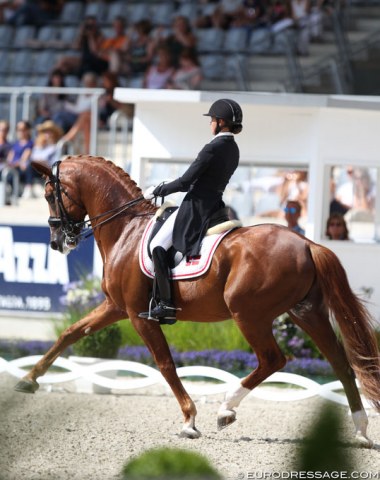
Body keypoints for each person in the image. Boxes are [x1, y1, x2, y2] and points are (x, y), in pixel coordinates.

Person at [140, 98, 243, 324]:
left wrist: (159, 190)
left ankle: (165, 303)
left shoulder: (212, 148)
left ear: (220, 122)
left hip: (195, 208)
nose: (210, 124)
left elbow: (186, 182)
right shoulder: (233, 149)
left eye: (212, 120)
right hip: (215, 206)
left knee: (157, 246)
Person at [4, 120, 33, 198]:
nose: (21, 132)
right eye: (18, 129)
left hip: (21, 168)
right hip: (13, 167)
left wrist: (14, 164)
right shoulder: (15, 143)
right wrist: (9, 164)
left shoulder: (30, 143)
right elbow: (10, 157)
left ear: (28, 130)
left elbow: (24, 158)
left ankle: (27, 188)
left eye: (23, 129)